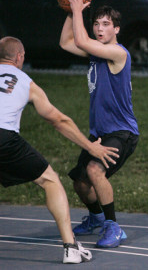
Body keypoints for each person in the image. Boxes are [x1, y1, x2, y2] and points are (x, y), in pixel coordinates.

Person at [0, 36, 119, 263]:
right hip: (4, 136)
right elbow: (58, 120)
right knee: (50, 180)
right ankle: (70, 247)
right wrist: (90, 147)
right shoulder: (25, 82)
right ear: (19, 57)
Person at [59, 0, 139, 248]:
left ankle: (113, 226)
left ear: (117, 29)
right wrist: (71, 13)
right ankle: (95, 218)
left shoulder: (119, 53)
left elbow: (81, 41)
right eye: (96, 23)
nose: (100, 28)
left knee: (95, 171)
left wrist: (76, 8)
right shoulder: (95, 52)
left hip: (122, 132)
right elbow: (67, 43)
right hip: (100, 132)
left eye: (106, 24)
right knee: (81, 183)